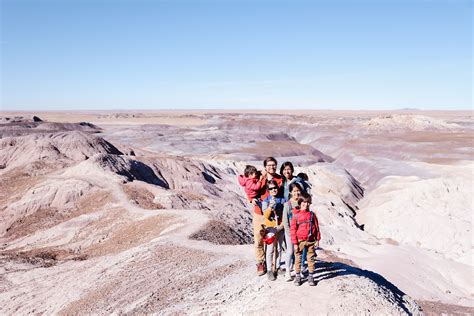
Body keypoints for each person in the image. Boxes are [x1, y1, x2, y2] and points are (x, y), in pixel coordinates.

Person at [291, 192, 321, 286]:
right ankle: (298, 276)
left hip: (311, 240)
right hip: (300, 241)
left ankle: (311, 276)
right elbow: (293, 230)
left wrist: (318, 239)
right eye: (304, 202)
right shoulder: (295, 216)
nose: (306, 204)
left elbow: (316, 227)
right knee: (298, 258)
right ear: (300, 202)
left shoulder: (312, 215)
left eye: (308, 202)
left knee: (311, 258)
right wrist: (295, 243)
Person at [262, 179, 286, 281]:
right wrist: (270, 207)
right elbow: (266, 216)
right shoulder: (265, 201)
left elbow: (286, 214)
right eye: (271, 188)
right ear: (268, 190)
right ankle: (269, 270)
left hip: (280, 226)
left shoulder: (283, 200)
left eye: (275, 188)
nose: (273, 190)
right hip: (270, 228)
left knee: (279, 248)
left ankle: (277, 266)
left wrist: (282, 225)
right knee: (270, 249)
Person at [282, 182, 303, 281]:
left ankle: (298, 270)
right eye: (294, 191)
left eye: (298, 191)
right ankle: (287, 272)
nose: (297, 193)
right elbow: (285, 220)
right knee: (290, 251)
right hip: (290, 232)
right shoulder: (287, 204)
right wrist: (289, 233)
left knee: (298, 251)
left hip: (300, 231)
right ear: (290, 192)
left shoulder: (302, 202)